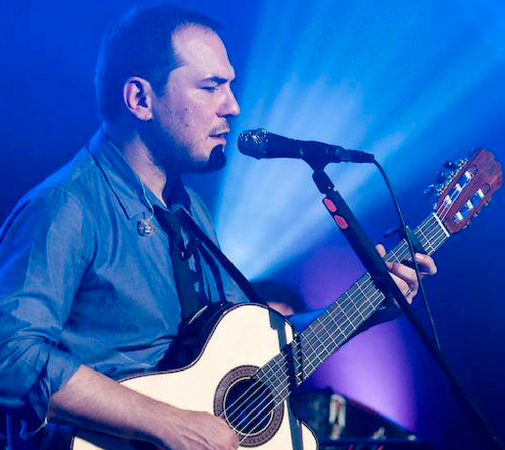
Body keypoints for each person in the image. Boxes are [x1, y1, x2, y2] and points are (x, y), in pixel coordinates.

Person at [0, 4, 435, 450]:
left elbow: (245, 350)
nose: (233, 106)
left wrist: (366, 309)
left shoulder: (189, 211)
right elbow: (10, 356)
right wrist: (167, 423)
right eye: (212, 87)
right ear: (140, 100)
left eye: (229, 85)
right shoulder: (66, 206)